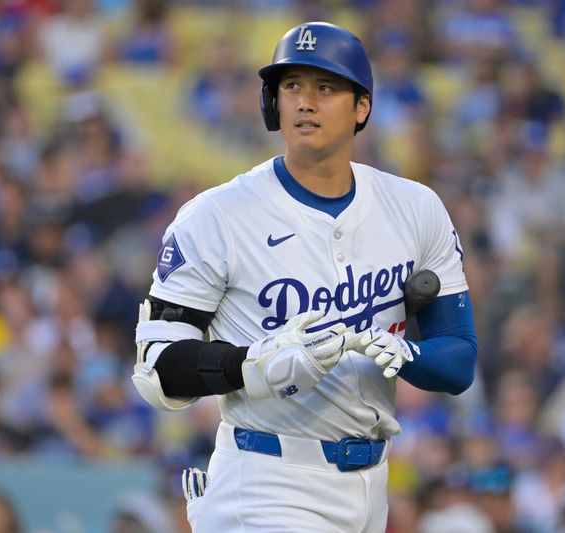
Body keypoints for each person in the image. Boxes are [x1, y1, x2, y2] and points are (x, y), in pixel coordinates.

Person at [131, 22, 477, 532]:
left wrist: (410, 355)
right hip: (266, 477)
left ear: (362, 107)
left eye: (325, 87)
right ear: (273, 103)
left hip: (371, 481)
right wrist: (253, 365)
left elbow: (459, 361)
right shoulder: (217, 215)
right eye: (291, 86)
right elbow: (156, 367)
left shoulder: (416, 207)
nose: (304, 102)